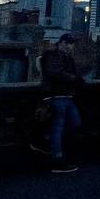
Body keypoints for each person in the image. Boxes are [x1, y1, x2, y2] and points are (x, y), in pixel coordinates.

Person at [38, 34, 82, 173]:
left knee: (75, 123)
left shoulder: (68, 58)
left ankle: (51, 146)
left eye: (71, 44)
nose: (70, 46)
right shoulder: (51, 55)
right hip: (55, 96)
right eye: (67, 43)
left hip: (67, 96)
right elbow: (55, 73)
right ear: (61, 43)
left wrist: (76, 80)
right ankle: (57, 159)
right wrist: (74, 79)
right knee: (58, 127)